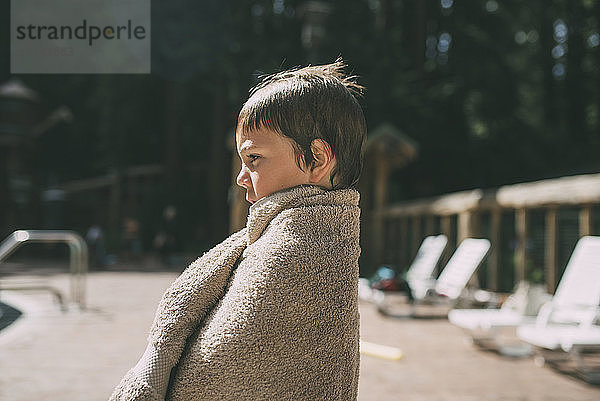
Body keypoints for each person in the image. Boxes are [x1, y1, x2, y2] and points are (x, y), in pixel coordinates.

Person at [109, 59, 367, 401]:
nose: (241, 178)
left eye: (255, 159)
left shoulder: (299, 248)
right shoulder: (310, 238)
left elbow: (223, 364)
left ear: (318, 159)